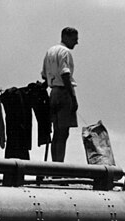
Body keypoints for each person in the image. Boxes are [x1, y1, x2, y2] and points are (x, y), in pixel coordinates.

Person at [41, 27, 79, 162]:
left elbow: (44, 75)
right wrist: (73, 98)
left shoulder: (50, 51)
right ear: (66, 37)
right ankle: (59, 168)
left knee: (57, 133)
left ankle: (54, 167)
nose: (76, 42)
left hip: (53, 93)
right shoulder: (65, 52)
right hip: (63, 93)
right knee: (63, 133)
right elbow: (65, 74)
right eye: (75, 39)